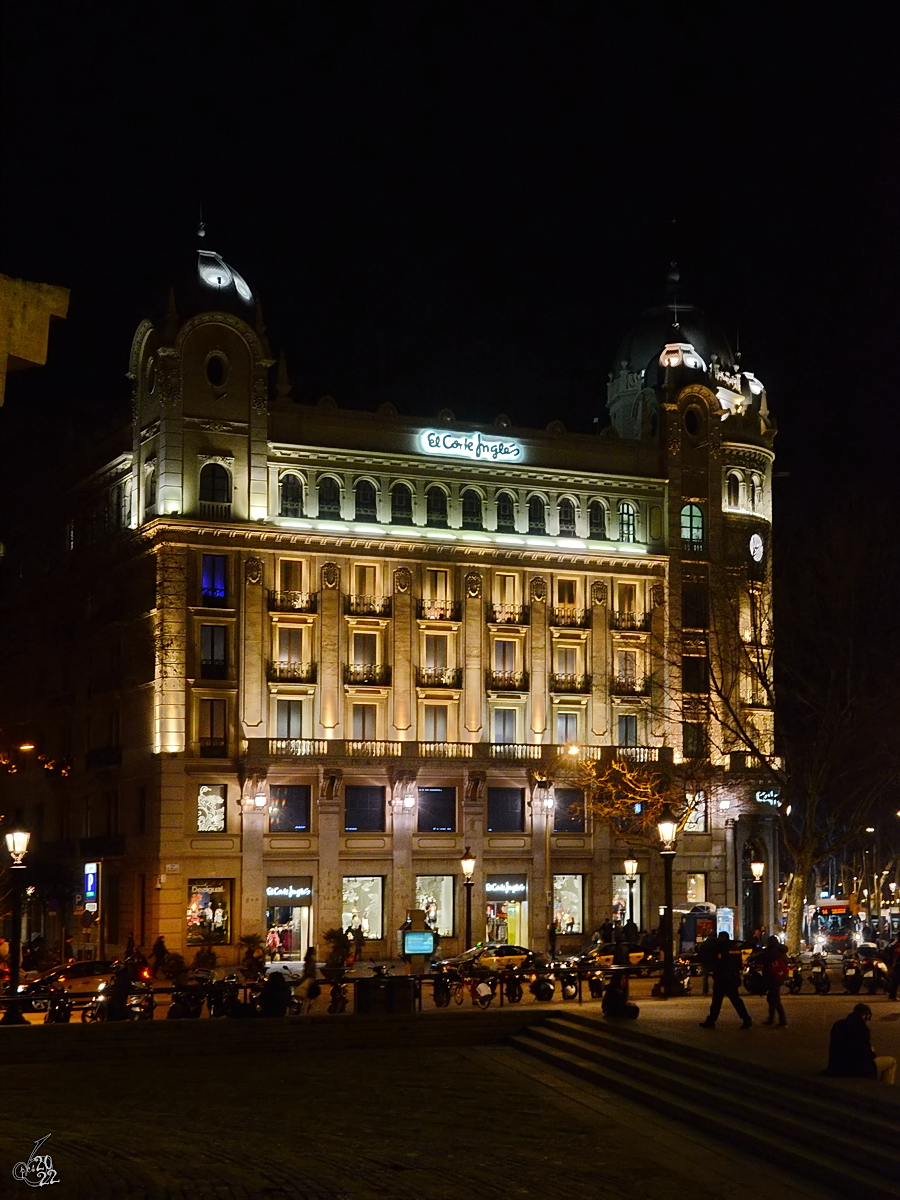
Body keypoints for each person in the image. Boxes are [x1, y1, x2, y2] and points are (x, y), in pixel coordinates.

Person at [826, 1003, 896, 1084]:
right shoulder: (861, 1028)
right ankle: (885, 1088)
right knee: (891, 1062)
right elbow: (865, 1054)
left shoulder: (838, 1024)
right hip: (854, 1068)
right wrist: (872, 1052)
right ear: (866, 1016)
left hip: (836, 1066)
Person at [699, 931, 752, 1029]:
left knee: (717, 1001)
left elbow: (709, 956)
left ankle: (711, 1021)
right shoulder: (734, 946)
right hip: (732, 976)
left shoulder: (719, 947)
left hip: (721, 977)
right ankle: (746, 1019)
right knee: (736, 1000)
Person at [756, 935, 788, 1026]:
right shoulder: (780, 951)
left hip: (773, 977)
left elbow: (762, 959)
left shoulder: (772, 952)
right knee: (771, 997)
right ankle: (772, 1018)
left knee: (774, 998)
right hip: (778, 976)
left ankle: (781, 1020)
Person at [886, 936, 900, 1002]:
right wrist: (893, 964)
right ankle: (892, 995)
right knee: (895, 981)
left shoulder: (895, 944)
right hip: (898, 964)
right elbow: (896, 955)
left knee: (895, 981)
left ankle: (892, 995)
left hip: (897, 964)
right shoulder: (898, 945)